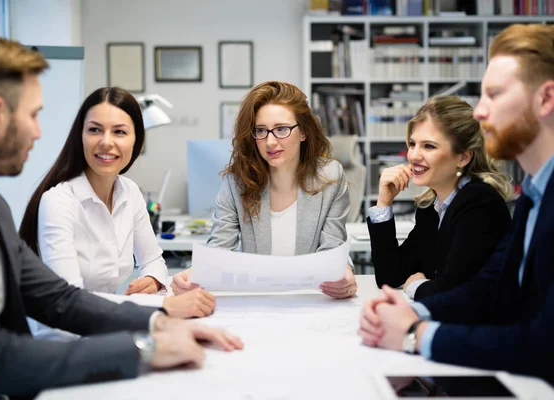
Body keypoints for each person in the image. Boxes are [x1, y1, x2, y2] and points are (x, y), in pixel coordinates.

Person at [0, 33, 242, 400]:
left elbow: (61, 299)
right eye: (33, 115)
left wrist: (158, 322)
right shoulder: (48, 201)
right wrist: (144, 348)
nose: (39, 132)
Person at [359, 24, 554, 382]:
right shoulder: (532, 198)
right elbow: (487, 290)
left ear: (546, 99)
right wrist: (409, 311)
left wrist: (414, 331)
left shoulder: (484, 200)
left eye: (493, 94)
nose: (480, 112)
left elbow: (543, 343)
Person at [19, 87, 215, 319]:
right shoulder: (58, 202)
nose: (106, 142)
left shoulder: (129, 193)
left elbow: (152, 260)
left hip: (106, 328)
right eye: (94, 130)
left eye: (119, 132)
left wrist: (152, 280)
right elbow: (69, 300)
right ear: (79, 136)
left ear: (136, 141)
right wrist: (163, 308)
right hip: (64, 336)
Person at [172, 81, 357, 299]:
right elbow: (219, 251)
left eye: (281, 129)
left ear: (304, 132)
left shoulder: (330, 177)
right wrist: (197, 274)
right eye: (260, 130)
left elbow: (332, 252)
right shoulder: (237, 182)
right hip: (257, 301)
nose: (270, 141)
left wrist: (343, 273)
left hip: (311, 299)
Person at [367, 95, 512, 300]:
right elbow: (389, 276)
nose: (414, 156)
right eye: (412, 144)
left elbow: (453, 293)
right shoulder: (432, 206)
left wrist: (415, 286)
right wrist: (384, 203)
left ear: (463, 157)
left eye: (429, 146)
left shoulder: (479, 203)